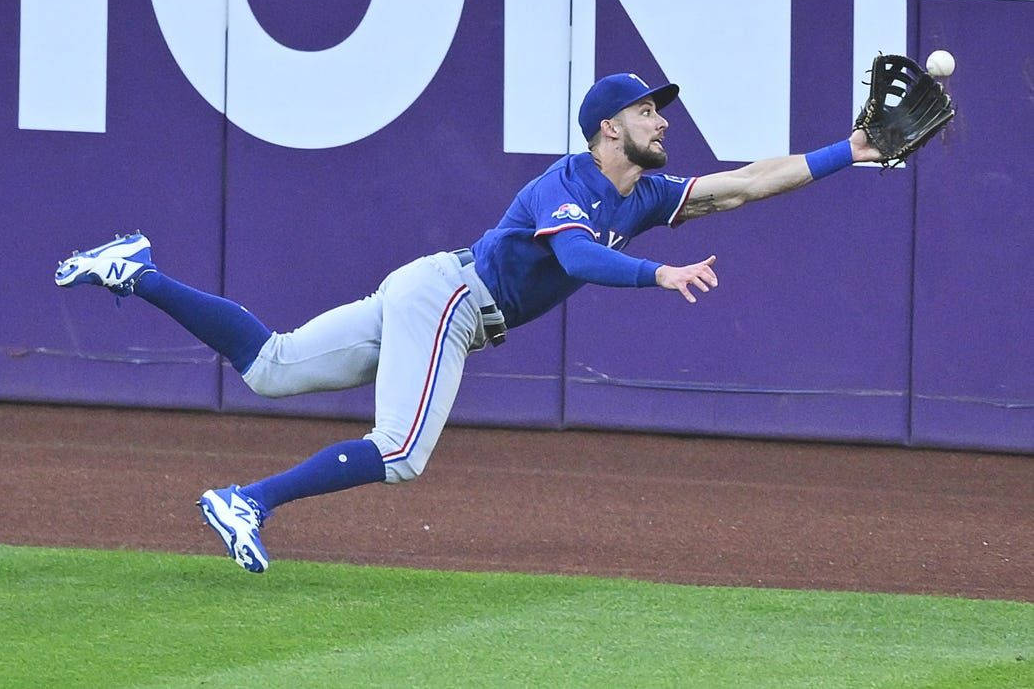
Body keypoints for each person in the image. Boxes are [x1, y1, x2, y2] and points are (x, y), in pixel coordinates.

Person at [55, 72, 883, 572]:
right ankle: (248, 500)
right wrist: (657, 271)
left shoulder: (649, 193)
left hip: (436, 293)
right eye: (648, 112)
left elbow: (743, 184)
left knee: (270, 366)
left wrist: (850, 149)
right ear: (610, 127)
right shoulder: (567, 184)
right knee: (403, 452)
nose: (663, 120)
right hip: (449, 302)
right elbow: (580, 260)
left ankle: (139, 270)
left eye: (660, 111)